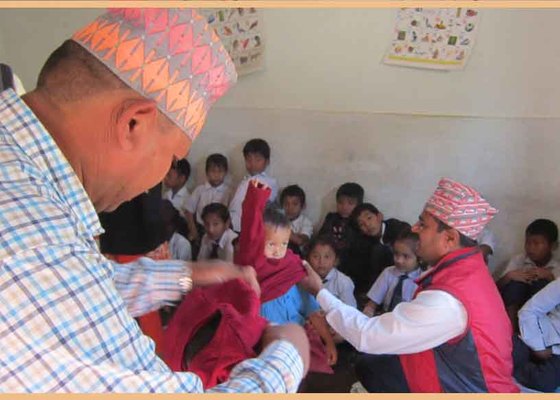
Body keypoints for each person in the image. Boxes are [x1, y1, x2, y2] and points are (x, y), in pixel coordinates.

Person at [0, 8, 308, 392]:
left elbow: (78, 287)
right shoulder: (33, 244)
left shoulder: (22, 186)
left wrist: (187, 275)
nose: (164, 173)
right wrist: (288, 355)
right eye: (173, 157)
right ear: (134, 123)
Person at [301, 178, 519, 393]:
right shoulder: (469, 269)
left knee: (370, 361)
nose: (414, 229)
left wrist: (319, 291)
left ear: (450, 239)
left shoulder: (448, 301)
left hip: (467, 389)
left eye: (423, 225)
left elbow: (367, 336)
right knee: (372, 365)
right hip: (454, 372)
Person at [235, 179, 337, 374]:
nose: (278, 250)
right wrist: (255, 197)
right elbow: (250, 230)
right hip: (263, 351)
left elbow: (312, 311)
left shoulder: (293, 268)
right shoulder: (253, 267)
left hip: (297, 347)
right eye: (271, 244)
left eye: (284, 244)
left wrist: (329, 343)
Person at [497, 219, 560, 330]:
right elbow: (495, 288)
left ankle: (536, 330)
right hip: (516, 308)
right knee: (515, 286)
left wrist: (550, 277)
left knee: (542, 285)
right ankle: (513, 330)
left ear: (553, 246)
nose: (530, 248)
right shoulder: (518, 260)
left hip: (540, 315)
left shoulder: (557, 266)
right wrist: (509, 276)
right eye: (527, 243)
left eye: (536, 243)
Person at [362, 229, 422, 317]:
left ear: (419, 257)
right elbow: (372, 303)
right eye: (396, 254)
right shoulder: (388, 272)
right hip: (385, 316)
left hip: (408, 319)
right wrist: (367, 315)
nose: (399, 260)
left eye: (406, 256)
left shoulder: (423, 279)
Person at [514, 278, 560, 392]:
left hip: (556, 352)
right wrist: (538, 347)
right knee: (508, 350)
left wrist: (552, 350)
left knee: (544, 382)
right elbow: (529, 310)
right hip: (538, 332)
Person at [229, 138, 278, 232]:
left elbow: (265, 207)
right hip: (233, 226)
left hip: (249, 229)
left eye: (258, 160)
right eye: (248, 159)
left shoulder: (270, 182)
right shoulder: (245, 180)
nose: (252, 163)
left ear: (267, 161)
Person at [184, 153, 232, 243]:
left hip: (220, 231)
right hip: (201, 229)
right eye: (213, 171)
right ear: (206, 172)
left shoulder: (228, 192)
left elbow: (231, 214)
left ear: (225, 173)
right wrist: (193, 230)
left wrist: (225, 230)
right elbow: (188, 211)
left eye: (220, 171)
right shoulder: (200, 190)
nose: (216, 175)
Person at [307, 235, 356, 308]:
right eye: (316, 256)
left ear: (336, 261)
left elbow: (350, 310)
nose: (321, 261)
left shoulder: (344, 282)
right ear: (308, 258)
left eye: (327, 257)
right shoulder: (303, 278)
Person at [280, 184, 313, 256]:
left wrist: (286, 233)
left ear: (303, 206)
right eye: (286, 204)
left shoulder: (305, 222)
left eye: (295, 204)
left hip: (298, 255)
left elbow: (300, 241)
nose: (290, 208)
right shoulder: (279, 219)